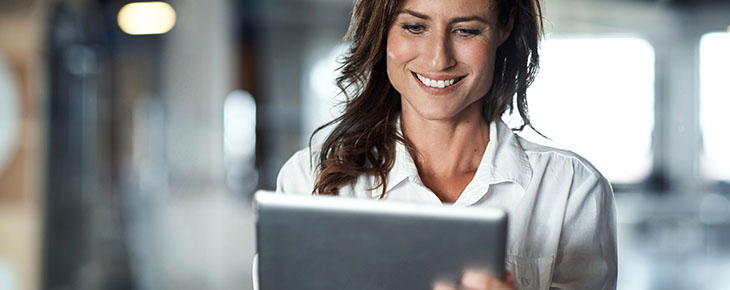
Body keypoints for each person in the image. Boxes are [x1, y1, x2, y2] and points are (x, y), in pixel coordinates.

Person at [275, 0, 617, 289]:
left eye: (466, 30)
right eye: (414, 27)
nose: (439, 59)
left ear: (504, 27)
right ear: (383, 31)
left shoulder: (571, 187)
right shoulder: (309, 178)